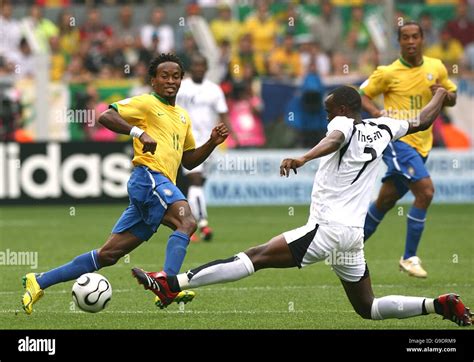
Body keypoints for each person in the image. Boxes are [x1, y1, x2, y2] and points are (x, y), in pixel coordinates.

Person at [130, 86, 471, 327]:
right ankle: (436, 305)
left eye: (327, 112)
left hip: (327, 228)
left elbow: (334, 138)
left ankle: (172, 283)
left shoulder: (342, 122)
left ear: (341, 110)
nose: (326, 118)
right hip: (352, 235)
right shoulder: (384, 127)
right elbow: (423, 121)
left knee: (255, 257)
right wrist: (440, 93)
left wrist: (304, 157)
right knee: (368, 308)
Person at [21, 54, 229, 314]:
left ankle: (39, 281)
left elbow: (188, 161)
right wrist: (138, 132)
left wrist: (211, 143)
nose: (170, 81)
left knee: (108, 255)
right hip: (149, 177)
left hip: (158, 185)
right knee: (187, 222)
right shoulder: (146, 103)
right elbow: (106, 116)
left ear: (181, 80)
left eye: (176, 76)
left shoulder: (182, 117)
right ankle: (168, 284)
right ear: (153, 81)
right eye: (164, 76)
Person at [359, 21, 457, 278]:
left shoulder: (435, 67)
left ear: (423, 39)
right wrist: (378, 113)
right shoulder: (387, 72)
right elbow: (362, 95)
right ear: (399, 42)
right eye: (405, 37)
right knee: (426, 191)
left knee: (385, 200)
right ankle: (409, 257)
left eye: (415, 36)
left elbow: (452, 96)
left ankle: (349, 247)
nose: (411, 41)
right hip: (397, 141)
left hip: (423, 144)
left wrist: (444, 95)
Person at [176, 53, 234, 242]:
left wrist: (232, 135)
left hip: (211, 142)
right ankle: (202, 224)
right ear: (191, 68)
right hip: (188, 142)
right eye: (196, 65)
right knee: (196, 180)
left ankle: (188, 223)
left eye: (202, 66)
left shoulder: (214, 90)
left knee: (200, 183)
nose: (199, 68)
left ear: (206, 68)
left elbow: (223, 114)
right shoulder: (181, 87)